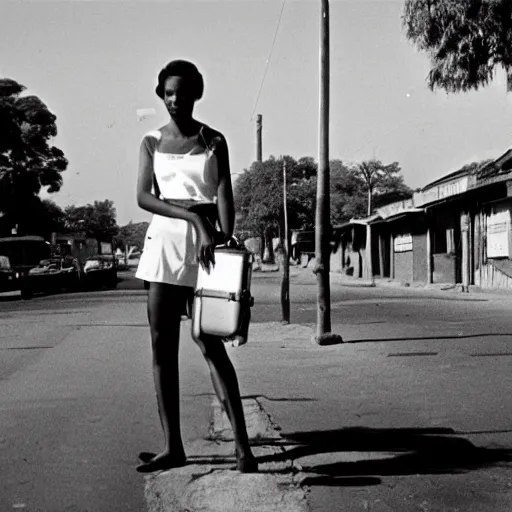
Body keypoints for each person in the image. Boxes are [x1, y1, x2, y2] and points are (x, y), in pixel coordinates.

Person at [134, 60, 257, 473]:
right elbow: (144, 198)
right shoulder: (151, 141)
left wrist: (225, 235)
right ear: (161, 95)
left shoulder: (213, 139)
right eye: (168, 93)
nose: (174, 100)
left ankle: (243, 446)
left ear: (196, 94)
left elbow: (224, 192)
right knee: (161, 348)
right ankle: (173, 447)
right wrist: (193, 219)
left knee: (210, 341)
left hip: (207, 250)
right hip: (165, 247)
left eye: (182, 93)